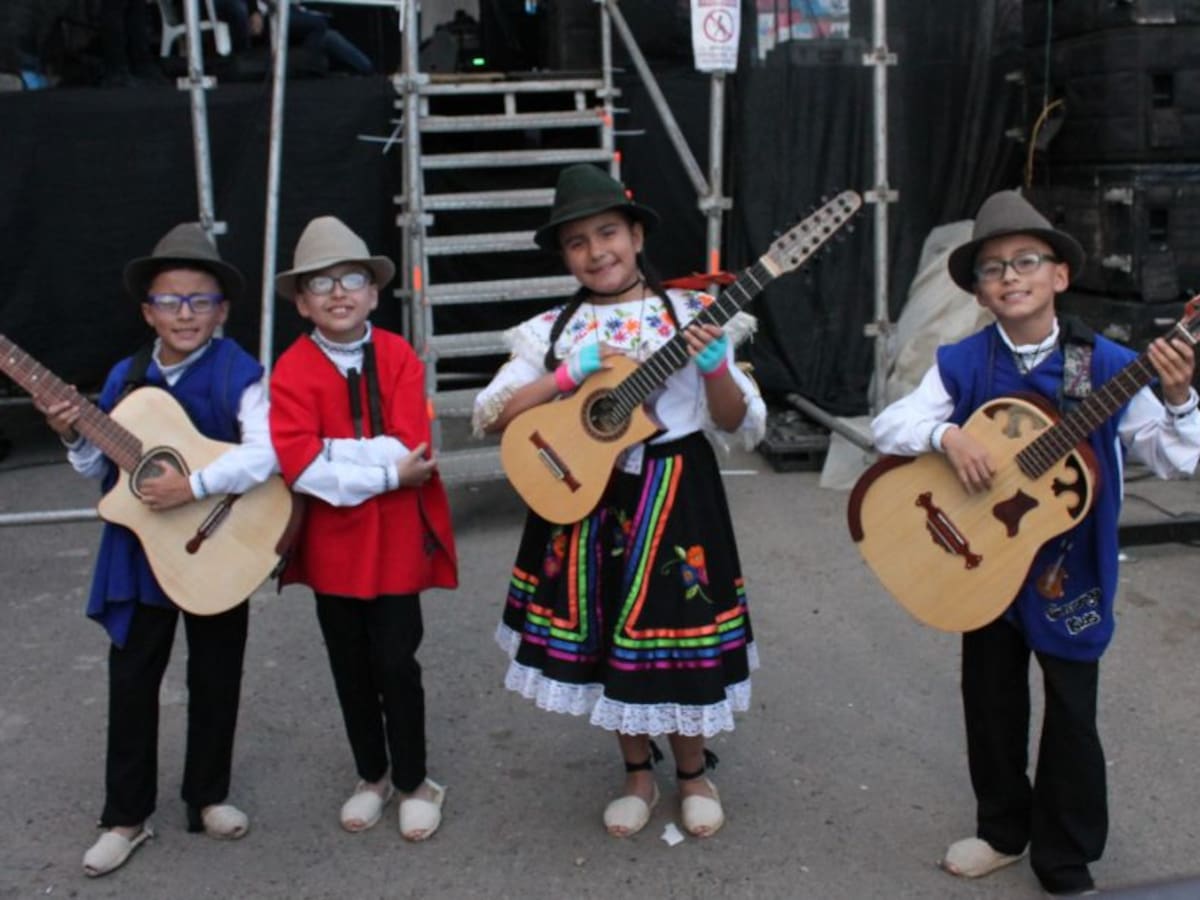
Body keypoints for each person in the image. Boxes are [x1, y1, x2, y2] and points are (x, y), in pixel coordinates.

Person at [871, 190, 1200, 896]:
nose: (1010, 276)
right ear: (980, 292)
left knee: (1072, 711)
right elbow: (889, 426)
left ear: (1058, 275)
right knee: (989, 702)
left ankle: (1066, 852)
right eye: (992, 268)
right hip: (979, 560)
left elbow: (1176, 459)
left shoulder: (1108, 363)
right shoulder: (961, 362)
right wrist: (946, 434)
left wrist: (1178, 400)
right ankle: (1002, 830)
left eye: (1026, 260)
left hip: (1067, 570)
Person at [473, 164, 767, 839]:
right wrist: (564, 376)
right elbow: (496, 414)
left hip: (675, 492)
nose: (596, 251)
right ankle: (636, 772)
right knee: (605, 633)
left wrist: (717, 366)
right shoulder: (552, 330)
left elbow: (733, 423)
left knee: (678, 634)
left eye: (608, 232)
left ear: (636, 235)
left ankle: (693, 774)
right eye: (577, 242)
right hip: (582, 495)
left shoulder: (691, 315)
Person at [36, 224, 278, 877]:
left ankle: (208, 796)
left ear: (222, 310)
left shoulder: (241, 372)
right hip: (142, 553)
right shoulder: (125, 376)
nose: (186, 314)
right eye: (171, 301)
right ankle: (125, 816)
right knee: (133, 679)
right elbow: (105, 476)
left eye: (200, 300)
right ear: (148, 311)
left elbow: (266, 453)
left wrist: (193, 484)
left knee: (215, 673)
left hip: (218, 543)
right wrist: (73, 437)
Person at [269, 216, 457, 840]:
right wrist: (378, 469)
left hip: (398, 540)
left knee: (397, 662)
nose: (339, 292)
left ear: (375, 292)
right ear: (302, 302)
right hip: (333, 549)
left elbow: (412, 445)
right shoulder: (292, 369)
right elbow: (299, 463)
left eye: (351, 278)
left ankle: (414, 779)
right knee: (349, 663)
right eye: (321, 284)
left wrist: (335, 455)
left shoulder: (400, 355)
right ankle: (370, 774)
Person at [212, 0, 374, 73]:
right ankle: (304, 65)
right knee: (320, 27)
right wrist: (254, 10)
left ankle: (365, 69)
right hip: (270, 15)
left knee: (327, 34)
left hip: (293, 12)